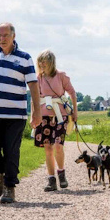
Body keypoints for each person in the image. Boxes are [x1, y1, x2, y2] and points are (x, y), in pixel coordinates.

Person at [0, 22, 41, 203]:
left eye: (5, 35)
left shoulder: (24, 58)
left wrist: (36, 112)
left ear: (14, 36)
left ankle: (9, 187)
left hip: (15, 116)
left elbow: (33, 86)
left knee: (11, 151)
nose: (2, 39)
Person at [32, 49, 78, 191]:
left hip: (60, 116)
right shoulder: (38, 78)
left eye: (44, 61)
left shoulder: (61, 76)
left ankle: (61, 174)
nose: (41, 64)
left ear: (51, 62)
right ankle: (51, 180)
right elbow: (34, 98)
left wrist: (75, 111)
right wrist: (33, 115)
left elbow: (72, 93)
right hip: (43, 116)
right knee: (48, 148)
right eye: (40, 61)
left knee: (58, 146)